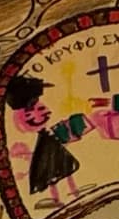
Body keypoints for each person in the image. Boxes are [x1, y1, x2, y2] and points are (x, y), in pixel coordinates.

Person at [7, 75, 80, 208]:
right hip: (45, 146)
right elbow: (26, 125)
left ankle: (74, 192)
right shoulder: (22, 114)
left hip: (49, 142)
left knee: (64, 169)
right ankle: (58, 198)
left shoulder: (34, 111)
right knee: (51, 175)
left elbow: (46, 114)